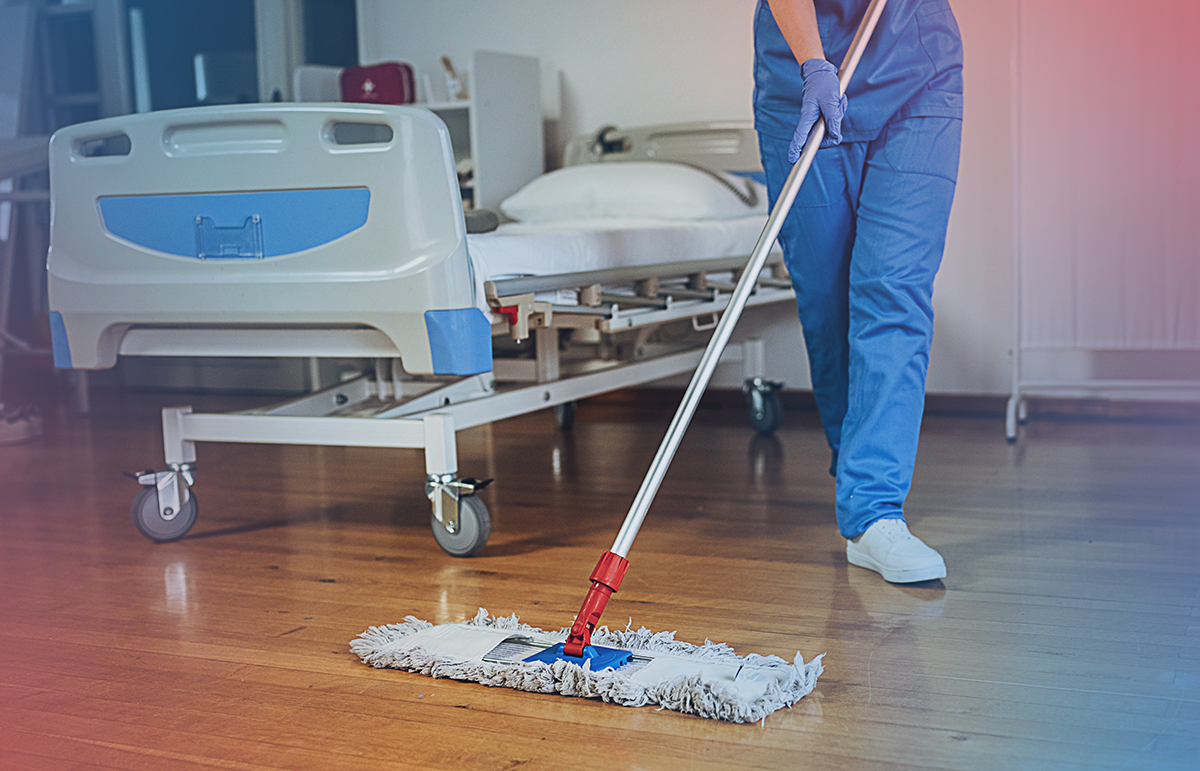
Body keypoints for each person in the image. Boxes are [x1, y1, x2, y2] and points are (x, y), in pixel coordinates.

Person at [753, 0, 963, 582]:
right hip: (802, 69)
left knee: (892, 289)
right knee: (827, 301)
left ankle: (874, 515)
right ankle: (859, 474)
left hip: (918, 74)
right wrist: (813, 64)